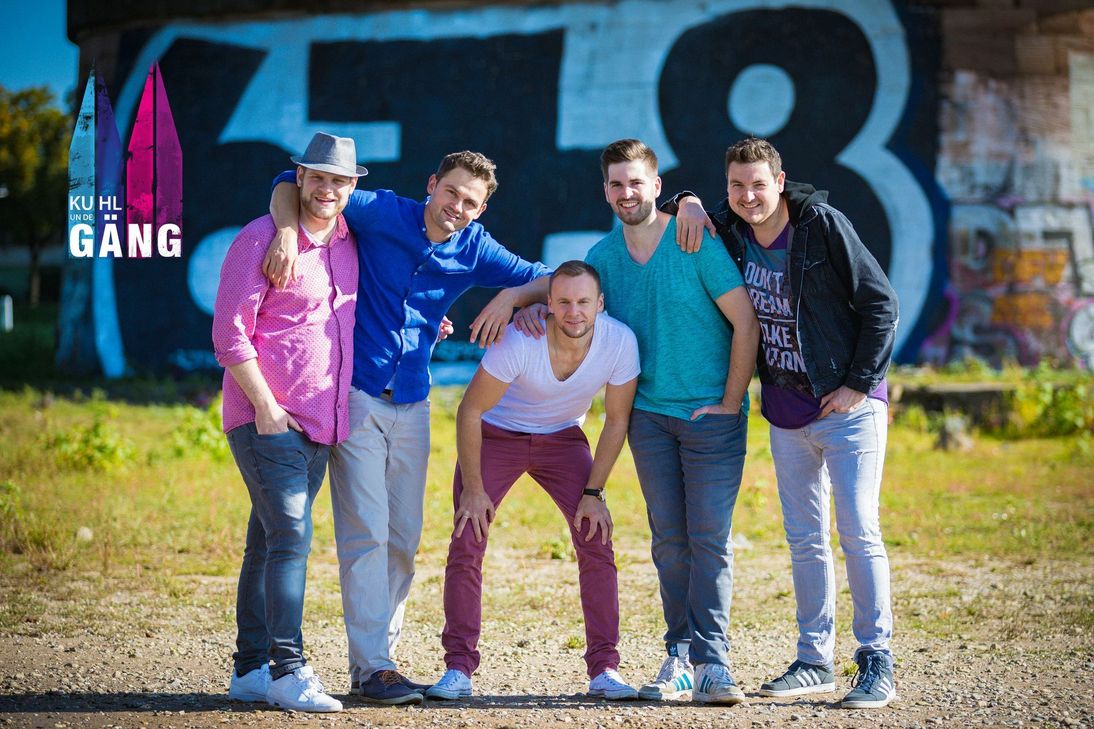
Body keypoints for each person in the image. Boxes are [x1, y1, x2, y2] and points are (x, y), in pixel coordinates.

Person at [262, 151, 550, 704]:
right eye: (451, 193)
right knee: (366, 530)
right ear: (431, 185)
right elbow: (287, 182)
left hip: (415, 403)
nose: (457, 208)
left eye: (471, 202)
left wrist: (514, 297)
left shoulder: (475, 247)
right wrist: (283, 232)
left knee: (404, 538)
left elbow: (551, 278)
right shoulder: (382, 212)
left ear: (482, 208)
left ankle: (378, 662)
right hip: (360, 395)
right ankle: (374, 665)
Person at [517, 139, 759, 704]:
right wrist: (517, 300)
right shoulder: (603, 259)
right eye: (616, 185)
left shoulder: (693, 239)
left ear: (657, 186)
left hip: (710, 418)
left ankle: (714, 664)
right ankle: (679, 655)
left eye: (636, 183)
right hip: (649, 419)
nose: (627, 193)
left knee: (710, 540)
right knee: (669, 542)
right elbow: (564, 290)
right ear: (606, 192)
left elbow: (745, 323)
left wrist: (729, 402)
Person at [671, 136, 899, 709]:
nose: (749, 196)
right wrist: (689, 199)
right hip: (786, 408)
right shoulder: (732, 230)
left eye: (758, 184)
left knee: (858, 531)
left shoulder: (821, 224)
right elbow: (679, 209)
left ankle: (876, 659)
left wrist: (856, 382)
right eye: (736, 186)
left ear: (779, 180)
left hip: (848, 406)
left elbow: (880, 304)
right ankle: (813, 658)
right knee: (804, 541)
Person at [425, 260, 641, 702]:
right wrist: (474, 488)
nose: (573, 312)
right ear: (548, 303)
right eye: (563, 302)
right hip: (497, 435)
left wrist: (594, 493)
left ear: (599, 304)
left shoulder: (619, 341)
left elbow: (617, 421)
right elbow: (470, 410)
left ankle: (605, 668)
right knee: (469, 535)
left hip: (563, 439)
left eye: (583, 302)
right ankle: (459, 668)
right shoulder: (522, 338)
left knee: (595, 536)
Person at [212, 131, 362, 713]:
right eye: (317, 177)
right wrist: (268, 409)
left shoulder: (350, 245)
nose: (327, 189)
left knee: (267, 543)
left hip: (322, 425)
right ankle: (288, 669)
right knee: (292, 540)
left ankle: (249, 671)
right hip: (266, 420)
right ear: (298, 178)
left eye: (338, 180)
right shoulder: (260, 239)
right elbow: (230, 334)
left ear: (352, 187)